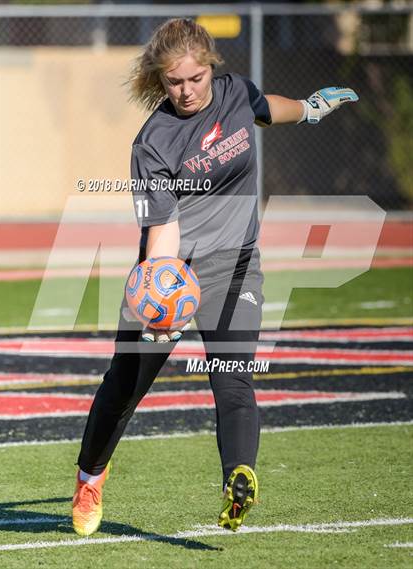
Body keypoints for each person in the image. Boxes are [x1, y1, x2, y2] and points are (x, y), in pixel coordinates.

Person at [72, 18, 358, 537]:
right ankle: (89, 478)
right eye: (174, 82)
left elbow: (268, 108)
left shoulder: (235, 94)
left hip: (235, 266)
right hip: (170, 273)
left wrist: (311, 108)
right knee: (125, 386)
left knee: (232, 375)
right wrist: (162, 303)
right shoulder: (153, 141)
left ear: (211, 69)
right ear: (160, 80)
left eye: (195, 79)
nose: (186, 91)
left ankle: (237, 480)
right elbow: (163, 231)